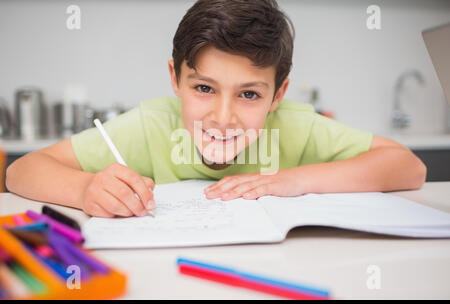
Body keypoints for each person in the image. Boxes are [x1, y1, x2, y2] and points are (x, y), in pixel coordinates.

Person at [6, 0, 426, 218]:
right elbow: (19, 171)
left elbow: (408, 167)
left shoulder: (297, 125)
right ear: (176, 79)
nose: (223, 118)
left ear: (278, 95)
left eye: (249, 95)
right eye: (204, 87)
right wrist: (84, 190)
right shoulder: (151, 124)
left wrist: (293, 180)